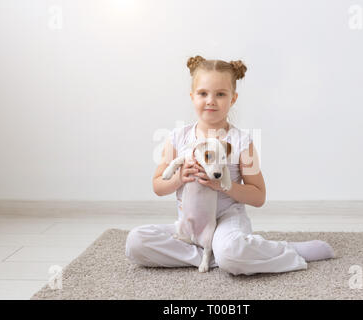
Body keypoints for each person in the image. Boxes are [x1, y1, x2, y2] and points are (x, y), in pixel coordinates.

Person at [125, 55, 335, 275]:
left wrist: (223, 186)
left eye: (220, 94)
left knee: (231, 249)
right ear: (192, 96)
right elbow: (158, 186)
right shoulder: (178, 137)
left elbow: (258, 196)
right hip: (191, 226)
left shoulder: (242, 142)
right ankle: (222, 255)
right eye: (203, 93)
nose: (210, 100)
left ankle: (283, 250)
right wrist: (179, 178)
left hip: (227, 220)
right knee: (136, 242)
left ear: (233, 99)